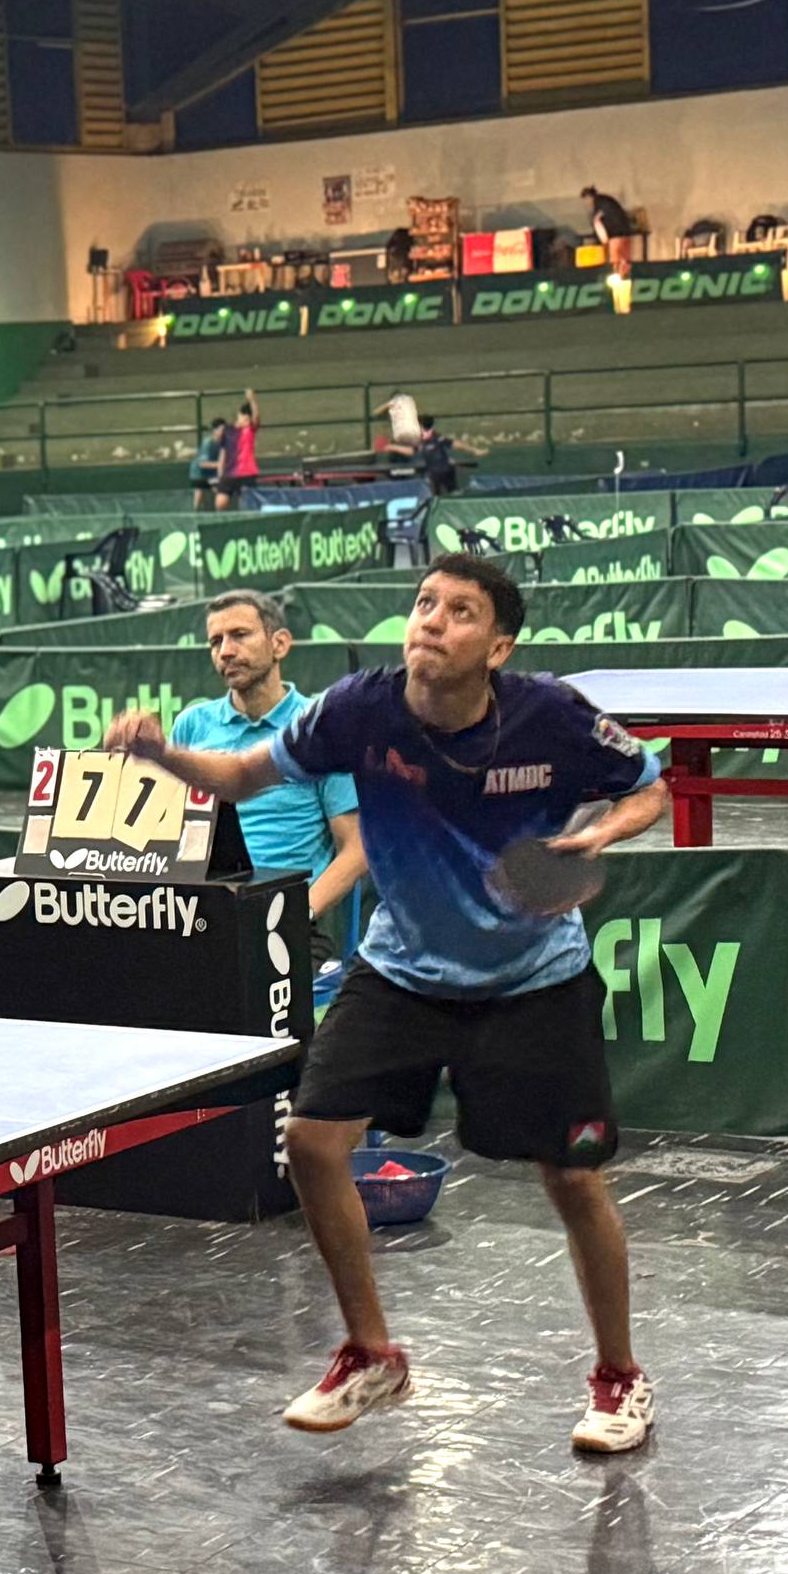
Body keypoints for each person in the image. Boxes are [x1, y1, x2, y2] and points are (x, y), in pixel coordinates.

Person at [103, 556, 670, 1454]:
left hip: (532, 978)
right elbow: (246, 776)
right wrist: (162, 755)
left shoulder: (550, 714)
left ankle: (618, 1376)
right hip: (403, 967)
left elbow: (649, 786)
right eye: (422, 605)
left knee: (569, 1178)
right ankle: (371, 1353)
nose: (430, 622)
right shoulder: (358, 711)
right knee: (313, 1141)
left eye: (458, 611)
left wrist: (600, 828)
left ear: (498, 644)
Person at [170, 593, 365, 965]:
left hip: (284, 923)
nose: (225, 651)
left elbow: (357, 848)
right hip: (200, 914)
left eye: (239, 634)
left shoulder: (320, 728)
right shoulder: (192, 725)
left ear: (280, 643)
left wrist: (297, 913)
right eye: (215, 641)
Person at [217, 392, 262, 510]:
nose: (246, 419)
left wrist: (252, 400)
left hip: (247, 474)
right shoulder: (227, 430)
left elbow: (256, 417)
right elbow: (223, 453)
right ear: (239, 415)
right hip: (229, 474)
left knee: (247, 506)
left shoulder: (250, 430)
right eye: (244, 416)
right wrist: (220, 474)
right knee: (220, 504)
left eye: (249, 417)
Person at [580, 186, 634, 278]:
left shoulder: (600, 204)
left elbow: (598, 223)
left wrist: (604, 241)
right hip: (623, 232)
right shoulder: (604, 201)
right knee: (623, 258)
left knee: (616, 259)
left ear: (589, 197)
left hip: (616, 234)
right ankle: (625, 275)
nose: (586, 203)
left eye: (586, 200)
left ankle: (620, 275)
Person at [189, 418, 225, 513]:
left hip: (212, 475)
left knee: (220, 489)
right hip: (199, 475)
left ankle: (219, 514)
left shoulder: (223, 444)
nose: (223, 432)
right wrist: (220, 465)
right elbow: (203, 464)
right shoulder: (207, 443)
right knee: (199, 489)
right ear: (214, 430)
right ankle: (195, 513)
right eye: (221, 430)